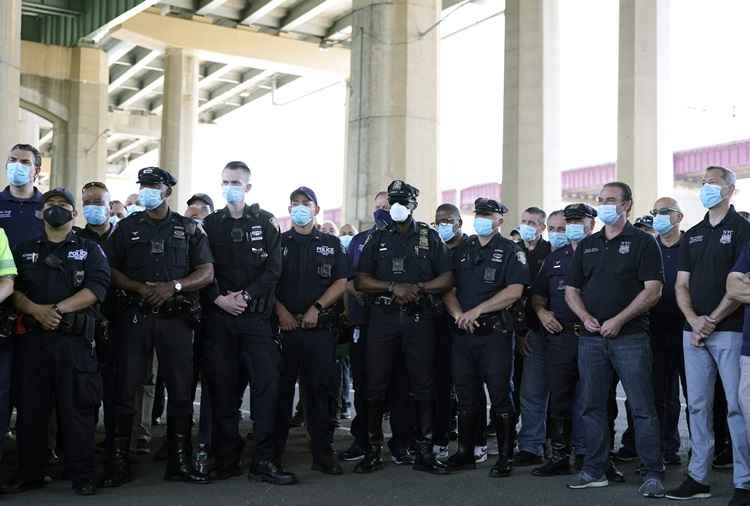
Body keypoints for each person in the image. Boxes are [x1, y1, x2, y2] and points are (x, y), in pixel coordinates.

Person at [102, 167, 214, 487]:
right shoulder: (125, 228)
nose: (148, 191)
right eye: (144, 186)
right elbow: (109, 269)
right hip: (135, 318)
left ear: (167, 191)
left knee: (180, 391)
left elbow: (206, 272)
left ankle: (179, 459)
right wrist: (138, 288)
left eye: (154, 186)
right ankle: (119, 461)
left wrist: (174, 287)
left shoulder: (189, 228)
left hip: (176, 320)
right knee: (125, 389)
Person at [564, 181, 665, 498]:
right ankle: (595, 469)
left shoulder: (643, 243)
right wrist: (584, 317)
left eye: (611, 200)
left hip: (630, 338)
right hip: (591, 339)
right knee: (592, 406)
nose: (605, 204)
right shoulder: (588, 244)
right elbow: (571, 290)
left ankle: (652, 473)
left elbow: (653, 290)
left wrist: (619, 320)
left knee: (642, 408)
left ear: (627, 205)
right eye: (601, 200)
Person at [6, 187, 109, 496]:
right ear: (41, 212)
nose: (56, 209)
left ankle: (83, 474)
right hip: (34, 341)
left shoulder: (89, 249)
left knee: (77, 409)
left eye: (63, 205)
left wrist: (58, 310)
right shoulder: (24, 249)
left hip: (74, 341)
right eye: (50, 204)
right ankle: (31, 473)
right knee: (31, 409)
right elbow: (14, 290)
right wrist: (37, 312)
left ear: (73, 213)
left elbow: (98, 287)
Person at [201, 161, 295, 485]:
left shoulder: (266, 222)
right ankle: (225, 459)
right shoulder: (210, 224)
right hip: (220, 319)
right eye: (226, 181)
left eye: (237, 182)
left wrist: (245, 295)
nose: (231, 186)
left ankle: (264, 460)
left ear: (248, 187)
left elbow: (274, 269)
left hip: (257, 319)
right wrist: (218, 298)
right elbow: (202, 267)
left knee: (266, 390)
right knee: (223, 391)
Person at [354, 180, 453, 474]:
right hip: (383, 320)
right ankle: (372, 450)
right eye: (393, 200)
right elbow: (361, 280)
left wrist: (419, 288)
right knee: (375, 386)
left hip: (419, 319)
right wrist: (392, 287)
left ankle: (423, 451)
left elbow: (447, 278)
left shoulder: (430, 237)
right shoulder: (377, 237)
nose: (397, 206)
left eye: (402, 201)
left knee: (423, 385)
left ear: (413, 205)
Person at [668, 166, 750, 504]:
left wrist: (711, 320)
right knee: (698, 406)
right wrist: (693, 320)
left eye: (712, 183)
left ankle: (743, 482)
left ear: (730, 190)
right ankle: (697, 477)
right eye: (703, 183)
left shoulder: (743, 229)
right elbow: (681, 283)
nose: (705, 188)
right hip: (694, 333)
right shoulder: (694, 233)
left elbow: (739, 287)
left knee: (736, 407)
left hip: (729, 331)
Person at [442, 198, 529, 478]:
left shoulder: (510, 250)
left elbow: (514, 291)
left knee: (501, 396)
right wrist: (458, 315)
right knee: (467, 396)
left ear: (499, 220)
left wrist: (476, 310)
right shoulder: (463, 249)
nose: (481, 219)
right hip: (463, 333)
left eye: (488, 215)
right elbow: (448, 287)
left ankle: (505, 456)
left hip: (495, 335)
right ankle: (467, 451)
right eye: (479, 214)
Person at [273, 186, 348, 475]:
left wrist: (318, 307)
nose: (300, 208)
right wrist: (281, 312)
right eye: (295, 203)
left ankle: (323, 453)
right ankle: (273, 454)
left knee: (321, 393)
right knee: (279, 393)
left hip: (320, 331)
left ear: (317, 209)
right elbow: (268, 281)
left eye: (306, 203)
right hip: (285, 330)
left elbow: (341, 282)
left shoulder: (331, 243)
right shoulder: (277, 243)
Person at [338, 192, 414, 466]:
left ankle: (400, 443)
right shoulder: (359, 241)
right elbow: (347, 280)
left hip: (397, 324)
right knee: (365, 385)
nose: (382, 211)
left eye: (387, 207)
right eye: (379, 207)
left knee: (400, 385)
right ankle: (363, 440)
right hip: (364, 326)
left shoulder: (409, 240)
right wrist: (355, 300)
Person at [530, 205, 597, 477]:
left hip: (594, 336)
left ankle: (590, 455)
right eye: (567, 221)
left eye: (577, 221)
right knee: (560, 397)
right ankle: (560, 455)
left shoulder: (600, 251)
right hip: (562, 337)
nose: (571, 226)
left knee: (595, 399)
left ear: (591, 224)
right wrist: (541, 312)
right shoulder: (554, 258)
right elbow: (538, 294)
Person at [75, 181, 117, 452]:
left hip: (121, 321)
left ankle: (117, 444)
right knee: (84, 387)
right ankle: (82, 443)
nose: (93, 208)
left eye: (98, 203)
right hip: (86, 323)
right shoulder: (76, 239)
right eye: (87, 203)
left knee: (118, 387)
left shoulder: (123, 236)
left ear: (110, 206)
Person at [648, 197, 687, 467]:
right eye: (655, 212)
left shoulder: (693, 245)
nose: (658, 217)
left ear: (679, 217)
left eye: (664, 212)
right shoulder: (649, 248)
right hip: (655, 330)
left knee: (698, 397)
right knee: (659, 394)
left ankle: (711, 449)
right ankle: (665, 447)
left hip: (689, 329)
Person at [516, 206, 551, 467]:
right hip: (517, 330)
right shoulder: (511, 251)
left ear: (542, 228)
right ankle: (529, 445)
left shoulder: (551, 253)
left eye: (533, 222)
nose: (528, 226)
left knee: (542, 391)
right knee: (525, 391)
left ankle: (551, 442)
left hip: (544, 329)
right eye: (524, 221)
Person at [432, 203, 468, 459]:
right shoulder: (434, 248)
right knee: (440, 384)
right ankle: (441, 435)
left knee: (468, 386)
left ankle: (471, 443)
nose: (442, 225)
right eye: (438, 221)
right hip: (436, 324)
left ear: (459, 223)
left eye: (447, 221)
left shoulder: (471, 248)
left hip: (466, 323)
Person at [1, 143, 44, 249]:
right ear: (6, 165)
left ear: (37, 171)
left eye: (25, 162)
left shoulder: (46, 204)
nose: (17, 165)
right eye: (13, 160)